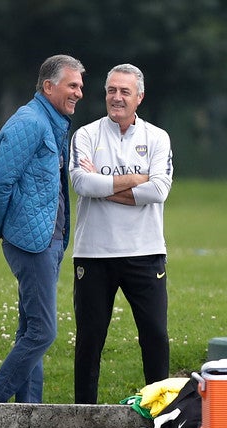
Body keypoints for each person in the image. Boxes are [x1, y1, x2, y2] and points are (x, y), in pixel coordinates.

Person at [0, 55, 85, 404]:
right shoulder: (30, 122)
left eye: (80, 86)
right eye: (72, 85)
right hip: (32, 242)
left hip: (48, 240)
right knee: (42, 332)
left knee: (30, 330)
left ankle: (29, 414)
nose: (79, 93)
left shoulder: (50, 122)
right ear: (48, 87)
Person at [68, 63, 174, 404]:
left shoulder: (157, 137)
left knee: (155, 336)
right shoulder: (85, 135)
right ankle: (83, 414)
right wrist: (135, 180)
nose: (116, 98)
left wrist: (105, 187)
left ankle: (161, 414)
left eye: (124, 92)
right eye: (111, 91)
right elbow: (81, 183)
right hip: (94, 253)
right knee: (90, 338)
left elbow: (158, 190)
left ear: (139, 97)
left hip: (145, 251)